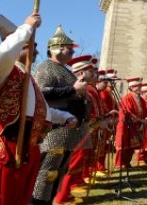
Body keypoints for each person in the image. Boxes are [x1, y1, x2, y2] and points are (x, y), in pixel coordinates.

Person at [0, 11, 76, 205]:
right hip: (7, 147)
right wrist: (26, 28)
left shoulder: (27, 78)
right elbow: (2, 55)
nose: (34, 49)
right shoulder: (0, 72)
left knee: (19, 198)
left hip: (28, 148)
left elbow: (37, 109)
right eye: (28, 45)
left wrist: (64, 117)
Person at [32, 26, 89, 205]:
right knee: (46, 174)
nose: (72, 51)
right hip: (54, 130)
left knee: (58, 174)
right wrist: (73, 89)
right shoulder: (46, 68)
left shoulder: (65, 70)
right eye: (68, 48)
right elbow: (41, 93)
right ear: (56, 48)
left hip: (68, 131)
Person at [53, 55, 101, 205]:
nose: (94, 74)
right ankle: (61, 199)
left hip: (80, 132)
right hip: (68, 134)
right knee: (67, 166)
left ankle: (66, 194)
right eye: (90, 71)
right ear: (81, 73)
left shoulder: (85, 90)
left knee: (73, 165)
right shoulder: (70, 88)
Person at [114, 79, 147, 169]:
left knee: (132, 146)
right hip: (125, 124)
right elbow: (128, 112)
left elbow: (145, 110)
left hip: (136, 124)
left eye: (140, 86)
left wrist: (145, 118)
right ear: (131, 88)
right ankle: (119, 164)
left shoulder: (140, 98)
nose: (140, 88)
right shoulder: (127, 98)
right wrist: (141, 120)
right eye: (138, 86)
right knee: (123, 145)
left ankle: (127, 162)